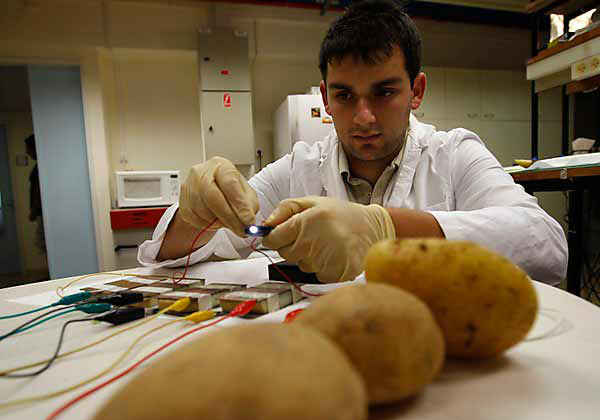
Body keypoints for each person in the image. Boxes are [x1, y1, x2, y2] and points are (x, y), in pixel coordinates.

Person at [138, 0, 567, 285]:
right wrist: (195, 215)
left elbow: (547, 245)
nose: (363, 117)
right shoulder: (299, 167)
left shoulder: (453, 154)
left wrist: (387, 228)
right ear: (326, 98)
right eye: (344, 96)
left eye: (384, 93)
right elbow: (176, 256)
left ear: (416, 91)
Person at [25, 134, 46, 253]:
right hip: (40, 213)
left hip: (41, 213)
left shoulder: (40, 168)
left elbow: (39, 191)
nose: (27, 152)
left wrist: (33, 211)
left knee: (43, 244)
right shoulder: (38, 166)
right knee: (42, 244)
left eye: (28, 149)